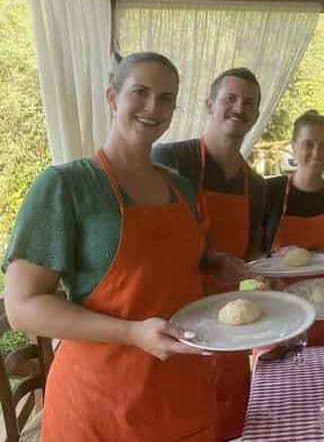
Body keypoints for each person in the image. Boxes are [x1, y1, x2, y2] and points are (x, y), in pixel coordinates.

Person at [2, 52, 249, 441]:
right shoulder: (66, 186)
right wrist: (132, 333)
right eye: (141, 92)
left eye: (166, 98)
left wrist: (212, 263)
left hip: (180, 393)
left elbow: (174, 265)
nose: (154, 107)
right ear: (113, 97)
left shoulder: (179, 187)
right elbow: (23, 307)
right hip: (102, 403)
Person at [152, 67, 267, 441]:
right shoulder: (171, 159)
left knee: (229, 418)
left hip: (231, 326)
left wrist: (265, 276)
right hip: (174, 317)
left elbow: (252, 253)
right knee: (180, 419)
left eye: (249, 102)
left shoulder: (257, 186)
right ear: (209, 104)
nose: (239, 107)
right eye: (230, 98)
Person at [263, 110, 324, 345]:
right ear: (293, 146)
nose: (317, 153)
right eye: (308, 144)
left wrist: (320, 304)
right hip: (281, 310)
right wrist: (287, 296)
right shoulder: (269, 192)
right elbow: (257, 257)